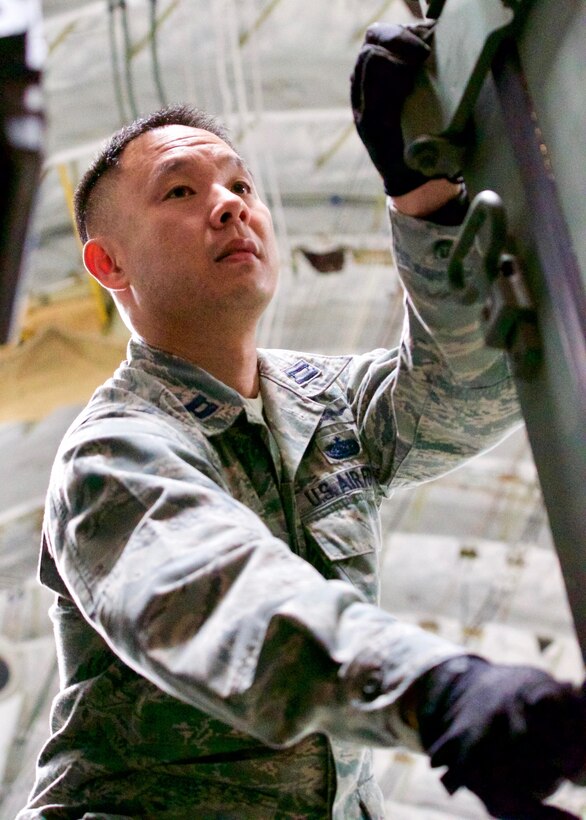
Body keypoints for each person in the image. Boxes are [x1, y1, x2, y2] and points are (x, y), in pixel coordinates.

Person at [19, 23, 585, 820]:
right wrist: (441, 691)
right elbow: (220, 600)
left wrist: (420, 194)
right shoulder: (113, 452)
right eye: (181, 190)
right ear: (109, 264)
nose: (228, 206)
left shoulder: (323, 401)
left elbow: (464, 395)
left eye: (241, 187)